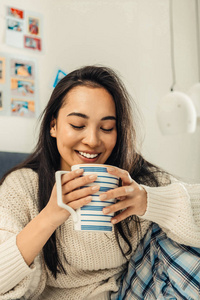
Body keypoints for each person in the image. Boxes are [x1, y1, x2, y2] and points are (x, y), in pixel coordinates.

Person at [0, 65, 199, 300]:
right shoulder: (23, 186)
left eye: (106, 128)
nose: (92, 141)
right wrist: (50, 216)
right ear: (53, 125)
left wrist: (149, 202)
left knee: (173, 228)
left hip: (128, 292)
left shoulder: (132, 180)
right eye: (77, 125)